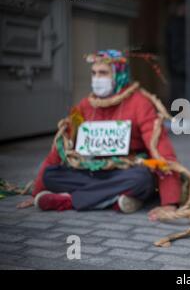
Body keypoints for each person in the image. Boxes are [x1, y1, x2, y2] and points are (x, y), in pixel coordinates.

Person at [17, 50, 181, 218]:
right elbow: (60, 146)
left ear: (119, 75)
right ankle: (115, 199)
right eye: (94, 73)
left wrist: (170, 202)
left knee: (143, 179)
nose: (97, 79)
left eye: (103, 73)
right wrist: (36, 191)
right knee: (50, 174)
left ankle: (69, 200)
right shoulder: (84, 105)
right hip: (94, 171)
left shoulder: (140, 103)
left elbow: (161, 150)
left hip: (128, 171)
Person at [166, 2, 187, 103]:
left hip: (180, 62)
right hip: (178, 63)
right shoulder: (176, 24)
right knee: (177, 88)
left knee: (181, 88)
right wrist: (176, 62)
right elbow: (174, 45)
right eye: (183, 8)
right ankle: (177, 111)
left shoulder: (182, 23)